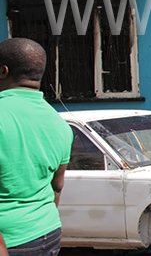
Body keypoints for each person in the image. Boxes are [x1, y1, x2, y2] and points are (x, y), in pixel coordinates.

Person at [0, 38, 73, 255]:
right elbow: (57, 186)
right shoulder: (60, 123)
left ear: (3, 71)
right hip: (48, 233)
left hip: (9, 240)